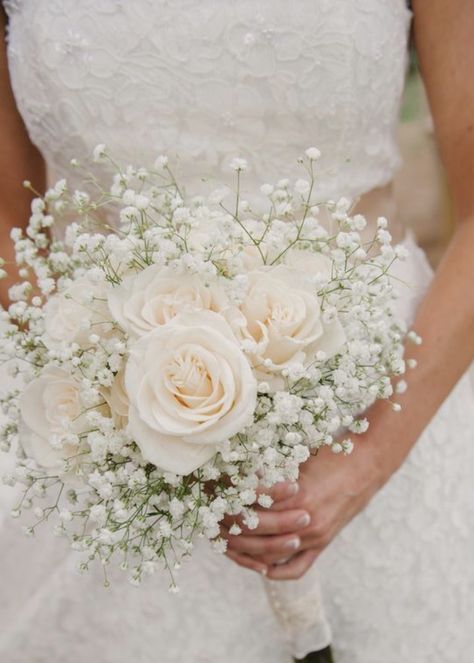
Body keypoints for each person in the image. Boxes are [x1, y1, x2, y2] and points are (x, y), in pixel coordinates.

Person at [0, 1, 473, 662]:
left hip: (393, 402)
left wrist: (370, 456)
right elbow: (8, 222)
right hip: (107, 436)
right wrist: (128, 422)